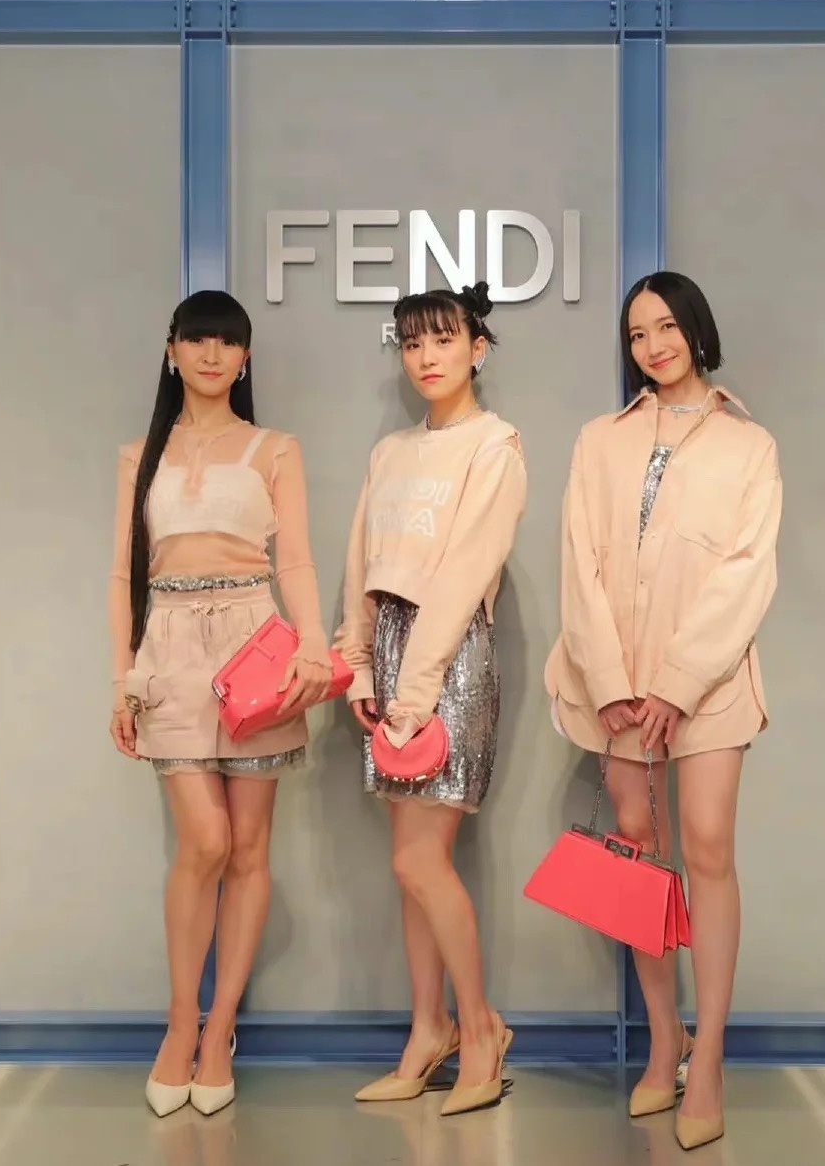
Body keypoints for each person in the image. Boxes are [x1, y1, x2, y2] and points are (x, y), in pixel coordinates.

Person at [545, 271, 782, 1151]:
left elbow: (747, 572)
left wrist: (679, 683)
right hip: (614, 684)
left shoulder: (748, 446)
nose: (654, 345)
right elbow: (580, 561)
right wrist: (611, 679)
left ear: (696, 330)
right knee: (640, 854)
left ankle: (708, 1057)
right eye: (638, 332)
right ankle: (663, 1039)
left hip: (708, 686)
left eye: (668, 326)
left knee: (708, 850)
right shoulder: (599, 440)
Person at [108, 290, 333, 1117]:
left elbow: (296, 561)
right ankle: (181, 1024)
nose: (212, 355)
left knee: (248, 848)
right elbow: (123, 576)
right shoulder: (140, 455)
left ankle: (219, 1031)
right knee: (203, 841)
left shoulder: (276, 449)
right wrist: (124, 679)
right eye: (197, 340)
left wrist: (313, 644)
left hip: (253, 644)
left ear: (246, 357)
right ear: (171, 351)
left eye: (228, 342)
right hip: (169, 647)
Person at [334, 282, 526, 1117]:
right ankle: (428, 1031)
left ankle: (481, 1030)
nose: (426, 358)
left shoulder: (495, 446)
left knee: (420, 861)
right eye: (412, 343)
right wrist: (358, 665)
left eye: (443, 340)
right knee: (410, 866)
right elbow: (360, 565)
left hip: (447, 662)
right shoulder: (390, 452)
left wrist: (413, 691)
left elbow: (463, 576)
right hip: (389, 655)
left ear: (477, 350)